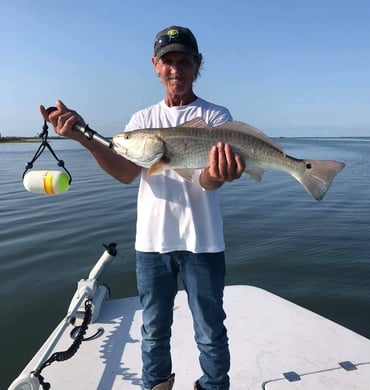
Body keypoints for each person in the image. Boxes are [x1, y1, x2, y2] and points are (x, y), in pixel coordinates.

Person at [41, 25, 244, 390]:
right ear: (155, 65)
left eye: (184, 60)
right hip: (151, 246)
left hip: (204, 243)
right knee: (152, 332)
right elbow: (124, 172)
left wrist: (219, 175)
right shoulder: (140, 123)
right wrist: (83, 138)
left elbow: (207, 182)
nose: (176, 69)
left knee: (210, 331)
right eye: (168, 61)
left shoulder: (215, 117)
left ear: (198, 64)